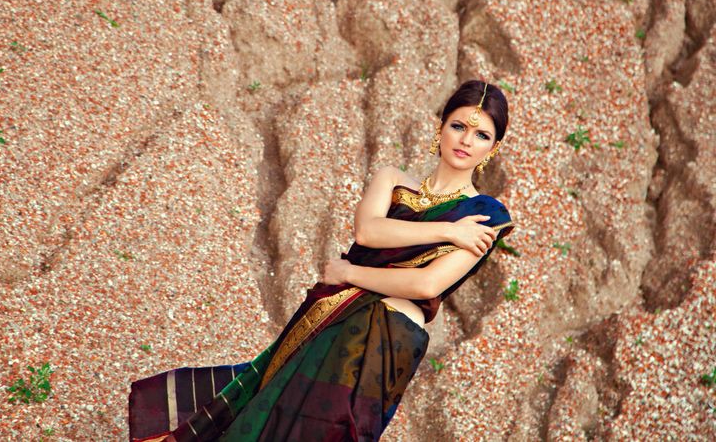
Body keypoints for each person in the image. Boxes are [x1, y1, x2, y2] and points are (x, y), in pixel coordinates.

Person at [128, 80, 516, 441]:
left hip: (385, 343)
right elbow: (368, 232)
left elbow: (427, 284)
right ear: (441, 127)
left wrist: (351, 272)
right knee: (269, 417)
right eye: (458, 126)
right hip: (333, 320)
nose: (466, 140)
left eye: (482, 135)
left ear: (493, 148)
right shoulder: (393, 180)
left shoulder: (484, 215)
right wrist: (447, 231)